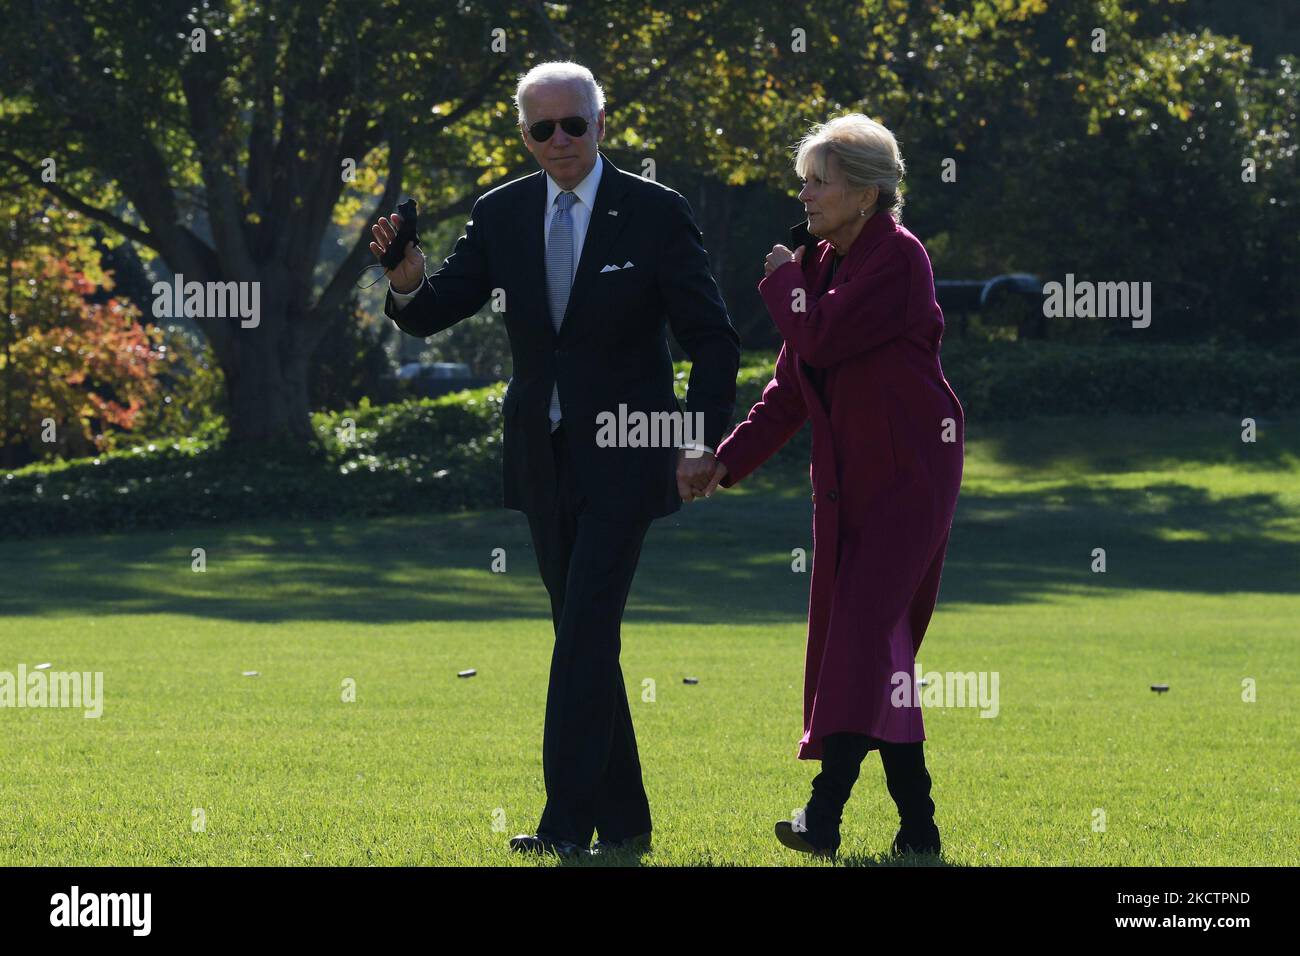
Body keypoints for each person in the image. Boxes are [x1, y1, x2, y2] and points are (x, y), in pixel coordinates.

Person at [370, 62, 739, 858]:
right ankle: (628, 821)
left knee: (581, 633)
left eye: (576, 123)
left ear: (602, 123)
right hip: (543, 454)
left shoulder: (654, 211)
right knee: (584, 635)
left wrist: (700, 439)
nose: (561, 139)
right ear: (525, 136)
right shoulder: (500, 212)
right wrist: (405, 280)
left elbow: (711, 338)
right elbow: (434, 310)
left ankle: (565, 825)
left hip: (632, 455)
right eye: (544, 129)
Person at [696, 114, 964, 859]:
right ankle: (919, 828)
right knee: (883, 649)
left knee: (858, 638)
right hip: (846, 483)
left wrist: (781, 281)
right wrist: (726, 461)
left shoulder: (899, 260)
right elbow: (789, 389)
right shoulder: (818, 267)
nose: (805, 194)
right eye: (804, 180)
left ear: (867, 194)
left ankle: (824, 818)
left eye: (820, 181)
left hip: (911, 478)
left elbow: (823, 337)